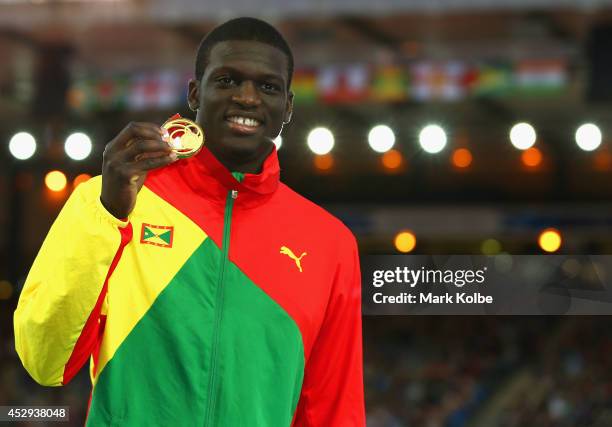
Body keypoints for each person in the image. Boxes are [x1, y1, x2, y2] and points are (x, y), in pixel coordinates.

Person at [14, 17, 365, 426]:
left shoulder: (329, 242)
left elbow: (334, 410)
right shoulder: (112, 200)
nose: (247, 98)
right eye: (228, 81)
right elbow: (44, 360)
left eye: (267, 86)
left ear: (287, 106)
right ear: (195, 93)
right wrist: (108, 214)